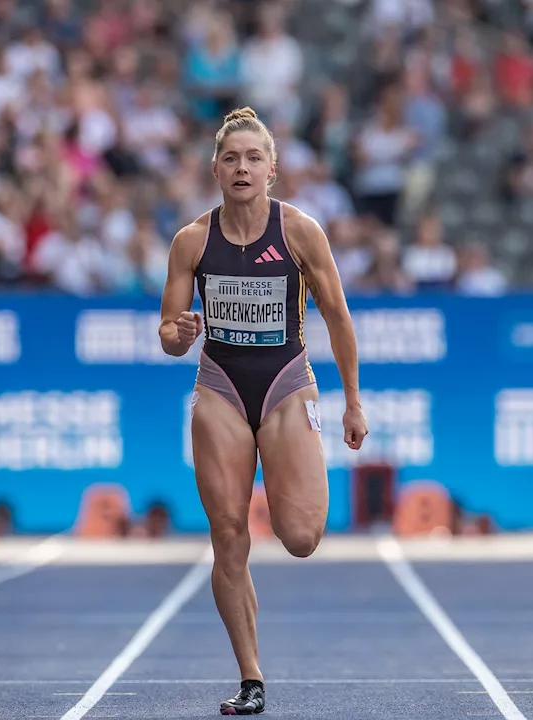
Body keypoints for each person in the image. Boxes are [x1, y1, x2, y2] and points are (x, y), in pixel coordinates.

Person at [158, 106, 368, 715]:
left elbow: (338, 317)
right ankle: (251, 676)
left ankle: (298, 465)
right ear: (215, 169)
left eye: (253, 158)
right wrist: (181, 331)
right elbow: (168, 337)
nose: (242, 167)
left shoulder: (300, 231)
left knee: (300, 537)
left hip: (285, 384)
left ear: (271, 170)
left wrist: (353, 401)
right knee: (227, 536)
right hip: (220, 385)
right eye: (231, 158)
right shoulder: (192, 241)